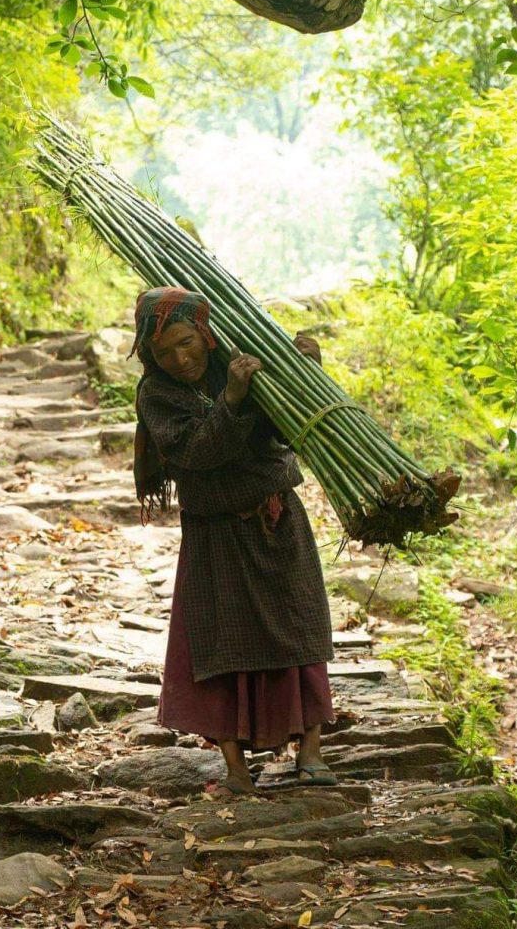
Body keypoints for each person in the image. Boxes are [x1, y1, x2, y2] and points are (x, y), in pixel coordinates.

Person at [132, 286, 336, 796]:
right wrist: (231, 402)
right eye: (164, 352)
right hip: (215, 530)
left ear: (204, 332)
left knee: (299, 628)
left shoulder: (241, 363)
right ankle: (235, 768)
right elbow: (197, 452)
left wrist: (305, 370)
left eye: (187, 343)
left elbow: (290, 432)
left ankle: (310, 751)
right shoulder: (157, 396)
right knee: (219, 642)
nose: (180, 359)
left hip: (275, 517)